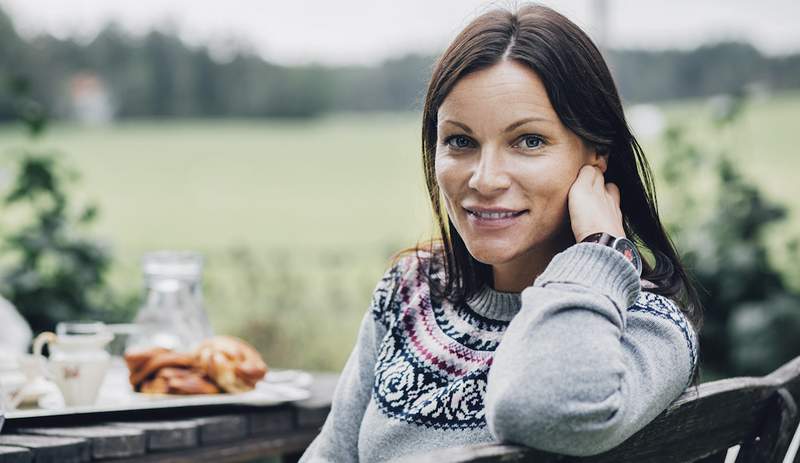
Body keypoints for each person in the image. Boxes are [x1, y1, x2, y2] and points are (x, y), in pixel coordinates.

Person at [299, 3, 702, 462]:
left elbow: (540, 409)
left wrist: (600, 254)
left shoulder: (649, 325)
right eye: (460, 141)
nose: (485, 179)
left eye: (528, 141)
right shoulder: (408, 289)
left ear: (596, 155)